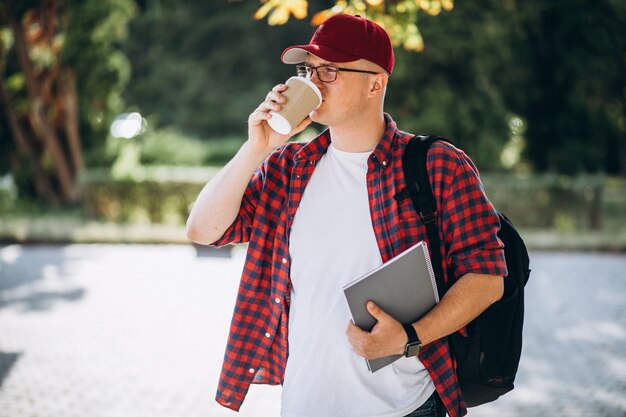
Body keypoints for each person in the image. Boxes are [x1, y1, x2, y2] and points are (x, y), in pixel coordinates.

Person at [186, 13, 507, 417]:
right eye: (309, 69)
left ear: (376, 82)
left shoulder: (437, 164)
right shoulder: (288, 167)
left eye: (330, 71)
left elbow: (487, 278)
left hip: (405, 407)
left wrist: (408, 337)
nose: (312, 82)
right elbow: (202, 230)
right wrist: (257, 147)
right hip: (304, 405)